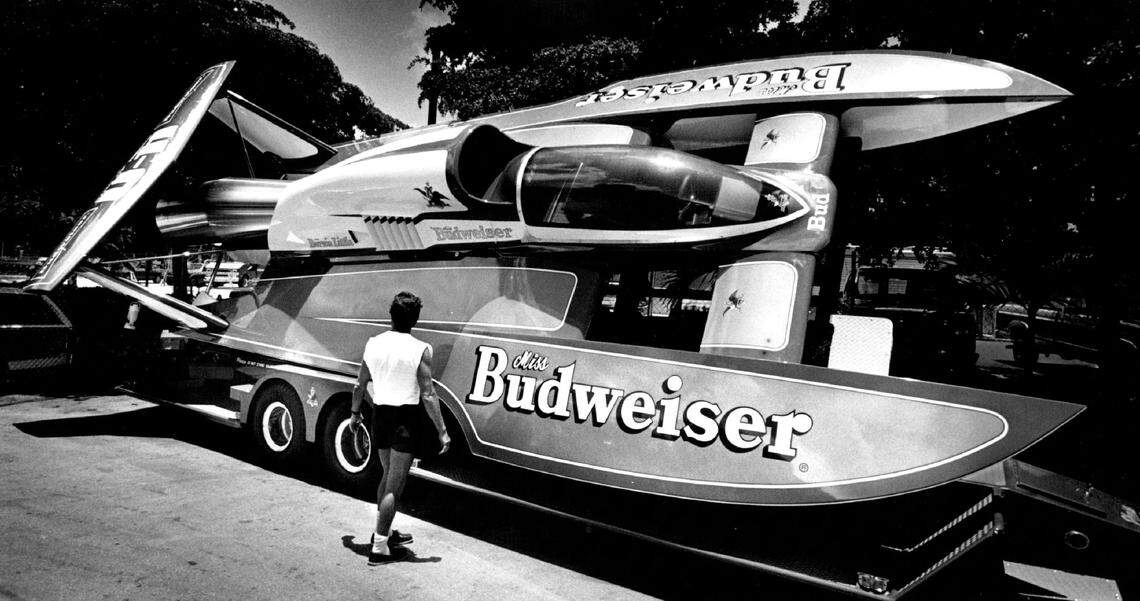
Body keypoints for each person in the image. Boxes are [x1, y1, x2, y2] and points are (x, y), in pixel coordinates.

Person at [350, 291, 450, 564]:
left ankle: (384, 532)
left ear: (390, 315)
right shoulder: (420, 349)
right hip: (404, 420)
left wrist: (355, 414)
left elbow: (359, 385)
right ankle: (379, 548)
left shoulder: (373, 343)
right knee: (395, 484)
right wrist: (442, 430)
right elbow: (428, 394)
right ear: (415, 320)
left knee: (387, 477)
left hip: (379, 415)